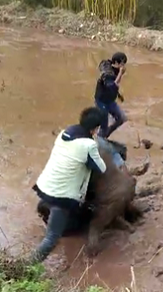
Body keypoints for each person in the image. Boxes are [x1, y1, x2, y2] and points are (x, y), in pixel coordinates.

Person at [30, 107, 107, 263]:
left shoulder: (64, 134)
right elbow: (102, 168)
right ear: (95, 128)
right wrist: (95, 142)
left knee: (55, 222)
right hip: (61, 196)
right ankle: (26, 268)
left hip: (45, 186)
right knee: (52, 238)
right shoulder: (89, 145)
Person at [94, 52, 128, 139]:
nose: (123, 66)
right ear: (116, 63)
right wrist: (120, 73)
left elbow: (114, 86)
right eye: (122, 63)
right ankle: (100, 138)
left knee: (122, 118)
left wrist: (119, 95)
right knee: (104, 123)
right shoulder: (107, 73)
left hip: (110, 100)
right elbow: (112, 86)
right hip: (101, 101)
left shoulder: (114, 69)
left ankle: (105, 135)